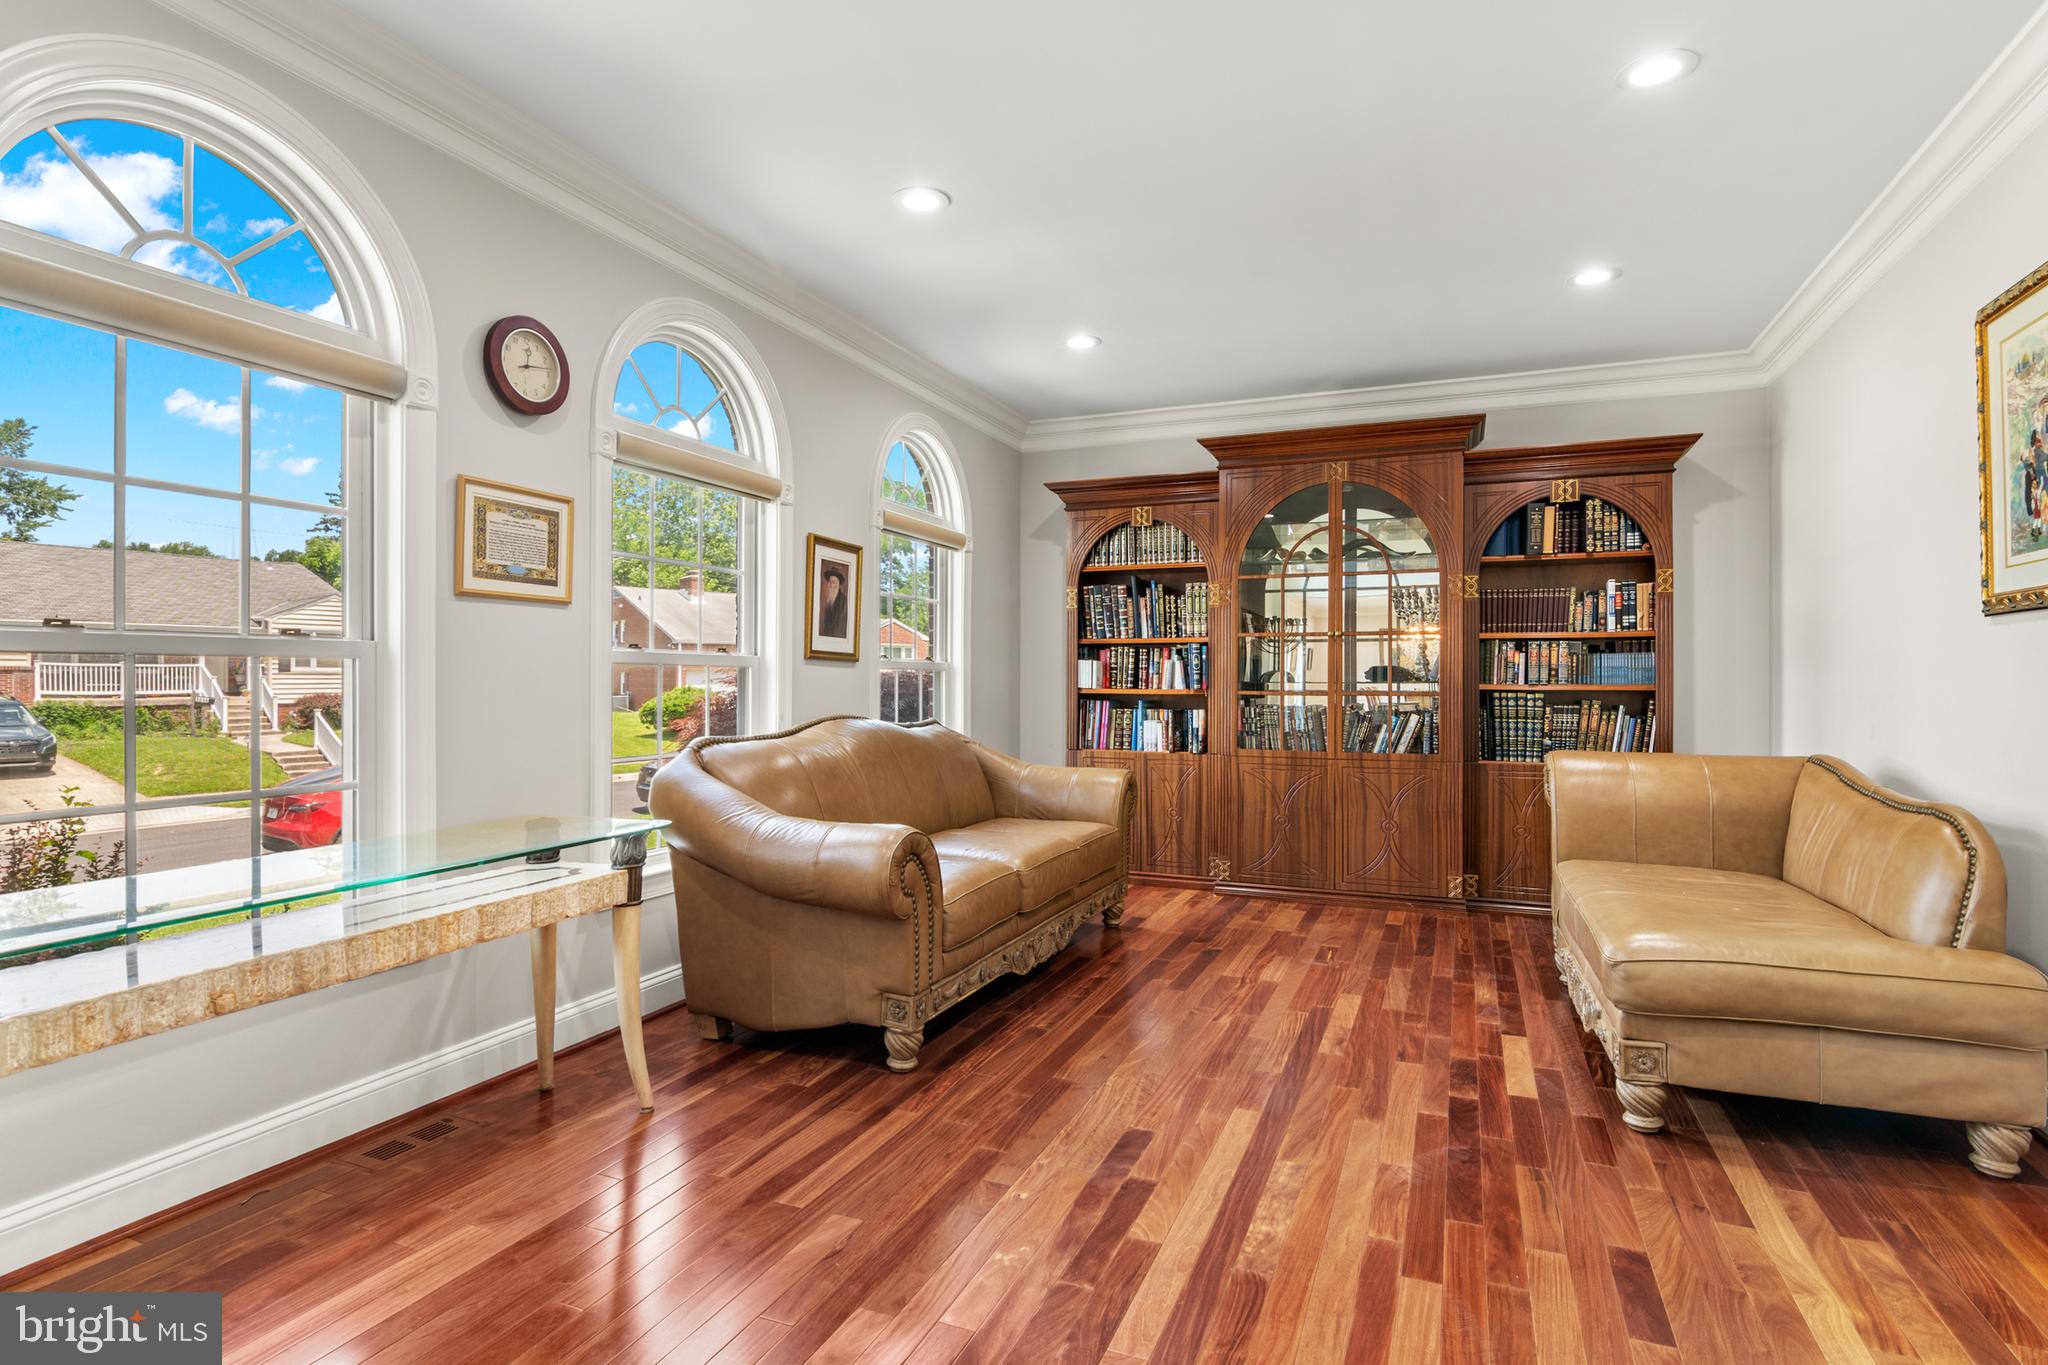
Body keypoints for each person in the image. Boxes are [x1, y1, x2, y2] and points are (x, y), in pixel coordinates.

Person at [818, 564, 848, 638]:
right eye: (830, 582)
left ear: (838, 584)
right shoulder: (830, 599)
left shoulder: (843, 600)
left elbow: (840, 624)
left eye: (833, 582)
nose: (831, 585)